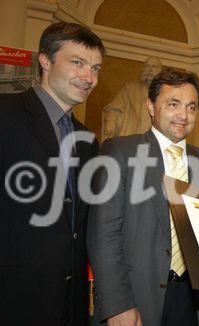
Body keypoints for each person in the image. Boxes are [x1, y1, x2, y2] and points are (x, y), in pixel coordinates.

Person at [88, 68, 199, 325]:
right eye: (174, 104)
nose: (184, 115)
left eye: (192, 107)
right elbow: (104, 235)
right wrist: (117, 305)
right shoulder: (120, 151)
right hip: (135, 299)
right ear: (150, 106)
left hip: (193, 303)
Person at [0, 22, 104, 325]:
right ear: (45, 60)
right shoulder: (5, 114)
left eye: (96, 68)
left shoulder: (88, 141)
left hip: (69, 304)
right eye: (78, 63)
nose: (89, 78)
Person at [101, 56, 162, 141]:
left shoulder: (164, 95)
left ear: (160, 71)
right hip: (128, 137)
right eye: (147, 66)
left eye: (154, 67)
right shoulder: (128, 90)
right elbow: (115, 108)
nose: (150, 70)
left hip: (153, 141)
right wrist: (111, 124)